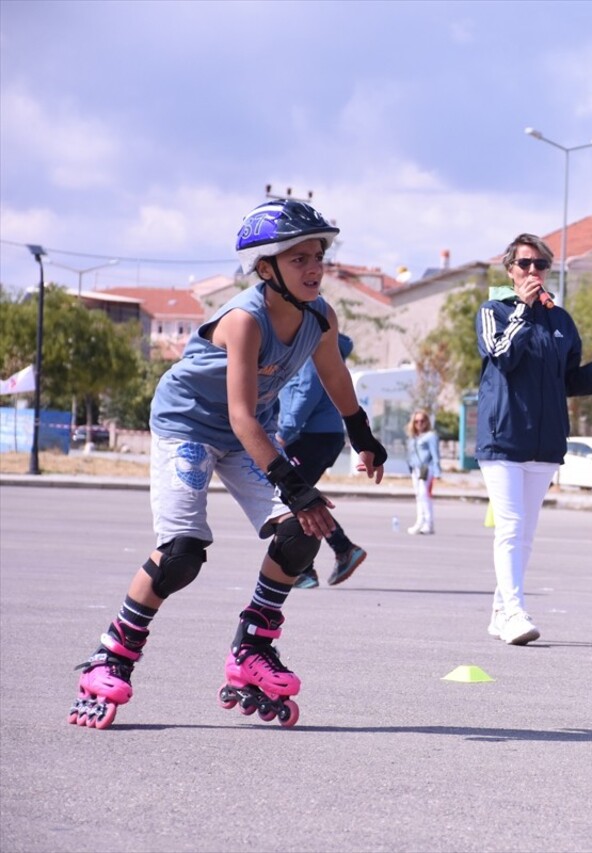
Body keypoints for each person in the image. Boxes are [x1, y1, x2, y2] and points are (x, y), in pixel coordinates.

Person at [68, 199, 387, 730]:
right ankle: (112, 656)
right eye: (299, 259)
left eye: (318, 257)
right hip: (190, 424)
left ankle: (252, 647)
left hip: (247, 431)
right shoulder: (244, 319)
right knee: (181, 555)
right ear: (266, 268)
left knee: (300, 534)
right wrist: (295, 483)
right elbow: (241, 417)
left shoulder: (320, 315)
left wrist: (363, 435)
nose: (314, 269)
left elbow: (335, 378)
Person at [475, 233, 592, 645]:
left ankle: (502, 609)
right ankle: (515, 612)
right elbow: (501, 354)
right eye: (525, 265)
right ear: (510, 270)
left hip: (545, 441)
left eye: (541, 265)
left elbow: (568, 382)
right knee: (511, 525)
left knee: (525, 532)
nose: (533, 272)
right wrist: (521, 307)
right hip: (503, 438)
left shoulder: (561, 321)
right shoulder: (494, 310)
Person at [276, 332, 368, 587]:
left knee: (290, 494)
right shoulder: (312, 347)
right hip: (318, 435)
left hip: (311, 436)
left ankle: (332, 554)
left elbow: (307, 391)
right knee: (294, 496)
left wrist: (284, 433)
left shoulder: (312, 347)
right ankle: (314, 564)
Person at [406, 409, 441, 535]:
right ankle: (419, 521)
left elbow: (435, 454)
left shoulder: (431, 436)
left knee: (424, 495)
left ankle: (429, 523)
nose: (419, 424)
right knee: (418, 496)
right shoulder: (413, 437)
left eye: (422, 421)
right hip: (415, 469)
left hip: (426, 468)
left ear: (427, 422)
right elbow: (410, 454)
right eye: (416, 421)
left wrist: (437, 471)